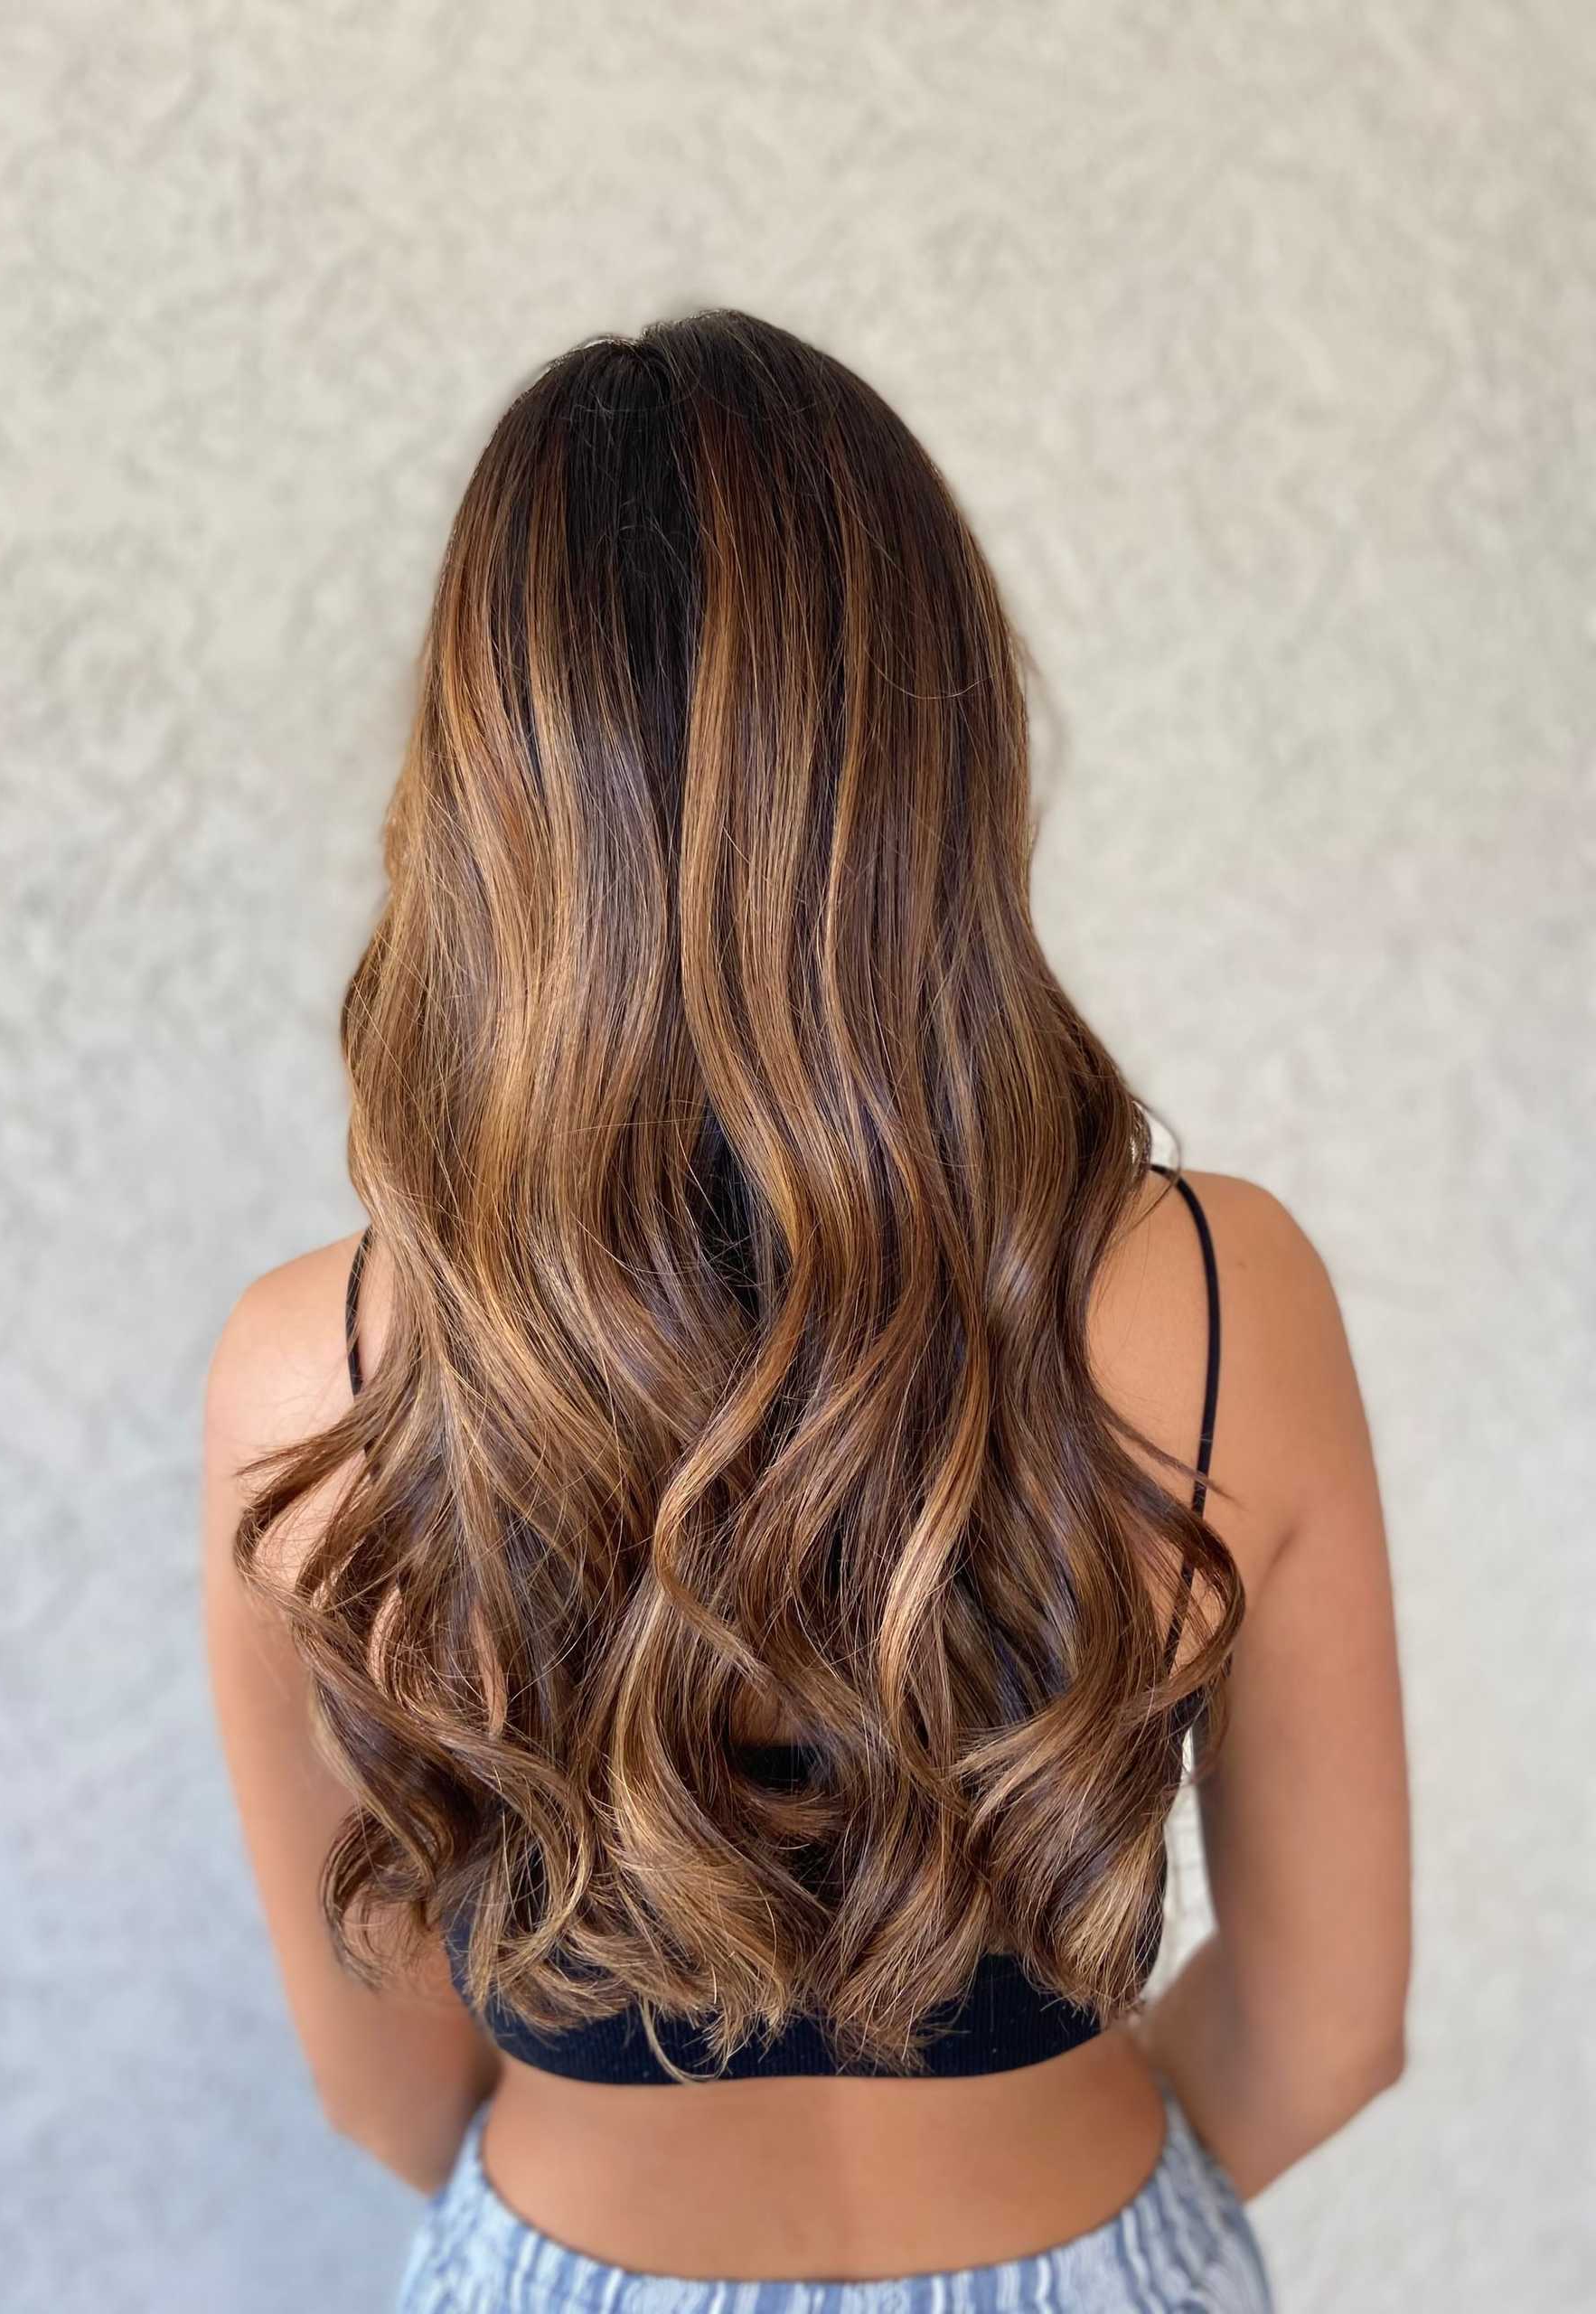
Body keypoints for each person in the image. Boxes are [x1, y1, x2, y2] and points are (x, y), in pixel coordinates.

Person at [202, 309, 1411, 2312]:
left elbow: (384, 2079)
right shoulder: (1223, 1297)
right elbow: (1326, 2026)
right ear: (943, 746)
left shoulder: (310, 1373)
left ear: (495, 786)